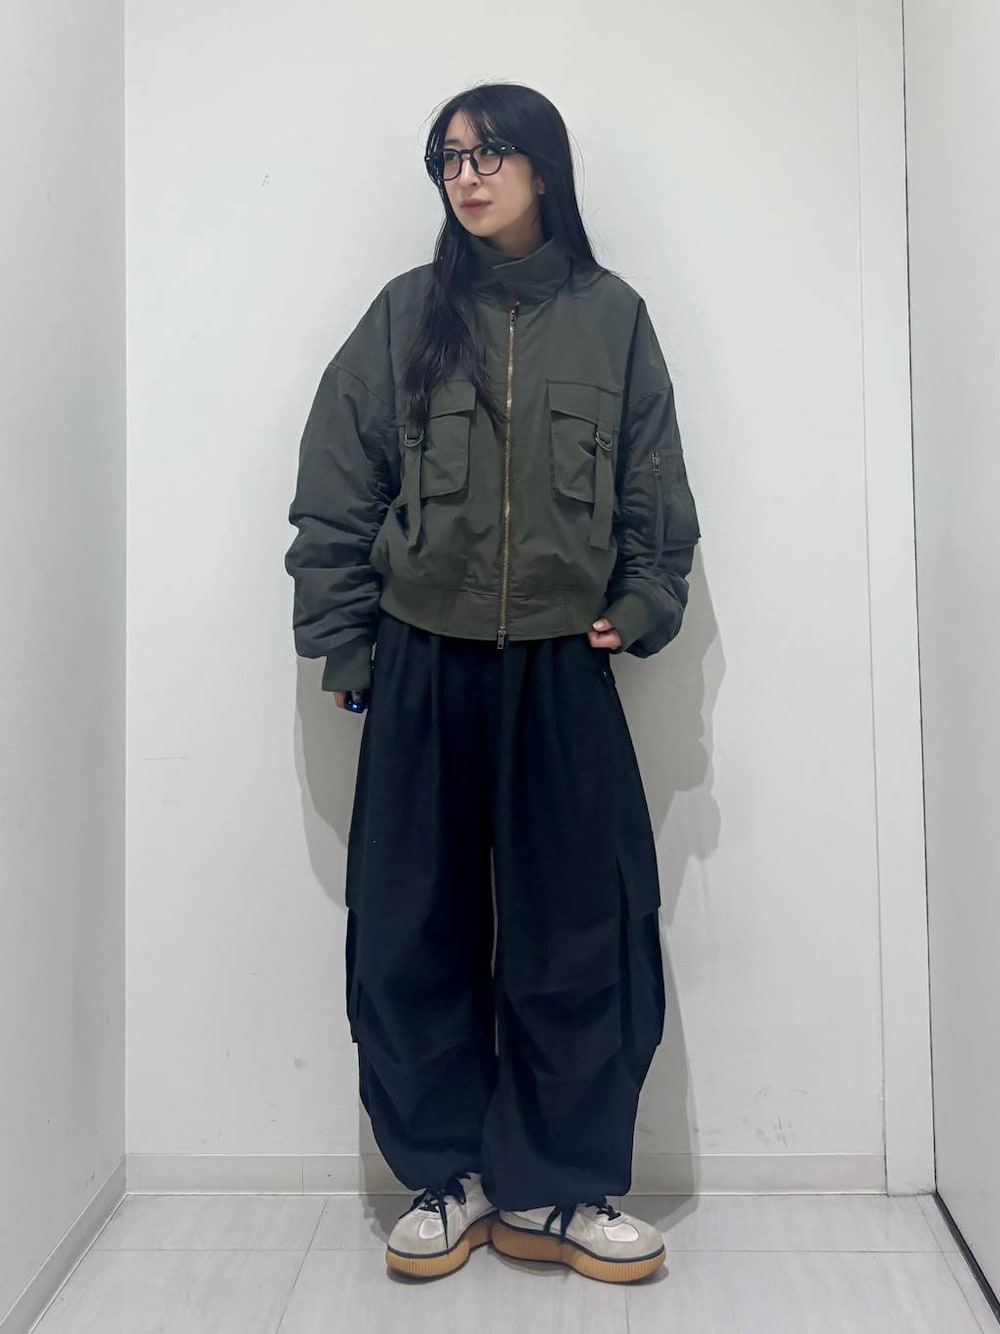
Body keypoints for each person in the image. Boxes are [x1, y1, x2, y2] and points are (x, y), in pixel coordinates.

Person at [284, 81, 701, 1284]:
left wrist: (642, 605)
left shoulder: (612, 318)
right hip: (423, 656)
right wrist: (346, 642)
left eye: (489, 154)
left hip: (565, 665)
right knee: (411, 926)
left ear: (543, 168)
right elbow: (337, 490)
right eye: (448, 159)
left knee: (582, 929)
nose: (465, 177)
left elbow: (654, 491)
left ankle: (557, 1186)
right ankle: (446, 1176)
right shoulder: (405, 315)